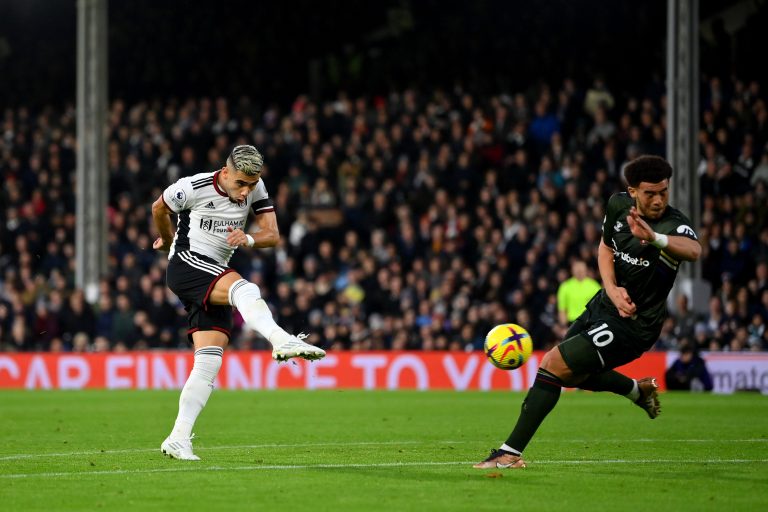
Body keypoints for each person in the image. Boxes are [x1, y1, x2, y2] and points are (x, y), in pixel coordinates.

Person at [474, 155, 701, 469]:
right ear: (633, 191)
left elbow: (694, 250)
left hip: (636, 323)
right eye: (650, 193)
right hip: (603, 305)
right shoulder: (618, 206)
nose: (659, 199)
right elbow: (606, 248)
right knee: (571, 375)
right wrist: (611, 288)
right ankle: (638, 391)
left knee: (553, 363)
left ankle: (510, 454)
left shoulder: (672, 224)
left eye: (664, 191)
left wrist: (656, 239)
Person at [152, 145, 326, 461]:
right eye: (241, 183)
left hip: (213, 273)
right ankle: (281, 339)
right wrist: (166, 241)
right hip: (187, 263)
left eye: (252, 183)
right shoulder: (193, 187)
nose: (246, 190)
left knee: (208, 362)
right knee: (244, 289)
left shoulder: (256, 187)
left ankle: (177, 438)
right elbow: (158, 208)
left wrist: (248, 239)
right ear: (226, 171)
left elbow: (272, 235)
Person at [557, 260, 602, 326]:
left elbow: (600, 307)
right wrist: (564, 327)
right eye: (577, 269)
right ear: (572, 270)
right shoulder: (565, 286)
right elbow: (562, 309)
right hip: (572, 322)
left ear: (586, 270)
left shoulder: (595, 286)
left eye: (581, 269)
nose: (579, 271)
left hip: (590, 322)